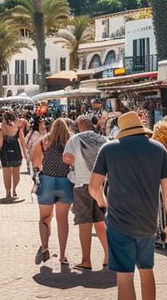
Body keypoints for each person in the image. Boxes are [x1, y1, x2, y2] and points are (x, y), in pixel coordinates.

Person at [90, 112, 167, 300]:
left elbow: (93, 187)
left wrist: (102, 203)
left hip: (118, 222)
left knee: (124, 277)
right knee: (147, 271)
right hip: (147, 222)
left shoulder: (109, 149)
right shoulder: (158, 149)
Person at [63, 115, 109, 270]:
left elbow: (67, 158)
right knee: (101, 222)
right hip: (99, 185)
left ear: (81, 123)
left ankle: (86, 260)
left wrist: (76, 162)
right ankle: (108, 256)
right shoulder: (103, 140)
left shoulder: (75, 139)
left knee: (85, 223)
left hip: (82, 184)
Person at [31, 118, 74, 265]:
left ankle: (44, 248)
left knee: (44, 218)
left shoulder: (43, 142)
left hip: (47, 182)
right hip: (65, 182)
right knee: (62, 220)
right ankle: (62, 256)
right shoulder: (70, 143)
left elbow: (36, 163)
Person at [0, 110, 26, 200]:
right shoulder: (17, 127)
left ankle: (8, 192)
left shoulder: (1, 127)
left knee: (6, 173)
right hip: (16, 149)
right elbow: (22, 141)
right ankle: (14, 189)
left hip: (5, 150)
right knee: (16, 172)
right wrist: (25, 153)